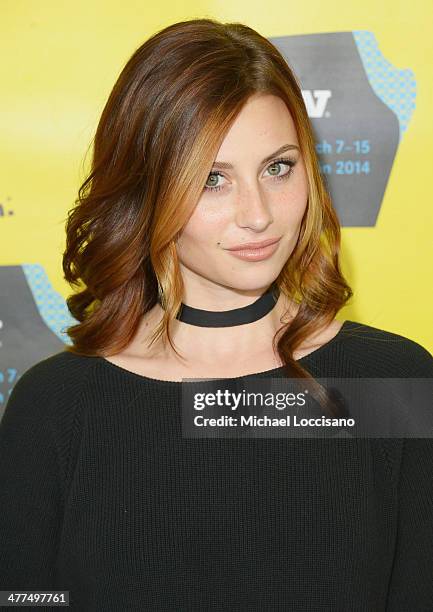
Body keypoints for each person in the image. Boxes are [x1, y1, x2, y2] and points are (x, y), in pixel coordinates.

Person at [0, 18, 432, 611]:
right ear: (146, 190)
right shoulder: (56, 406)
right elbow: (25, 599)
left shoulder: (390, 383)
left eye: (277, 168)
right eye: (212, 180)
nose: (257, 214)